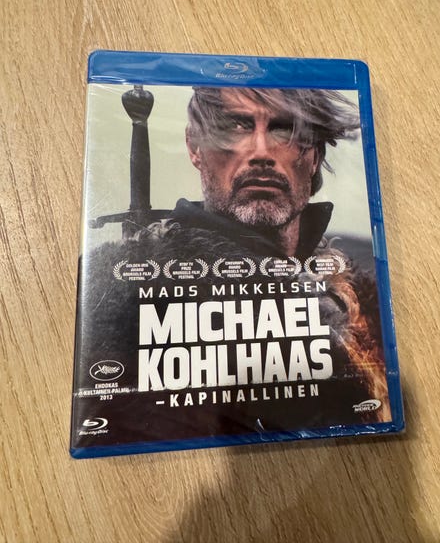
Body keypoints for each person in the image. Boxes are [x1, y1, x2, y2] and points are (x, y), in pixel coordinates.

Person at [74, 87, 390, 448]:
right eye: (235, 127)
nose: (261, 152)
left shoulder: (362, 298)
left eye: (284, 130)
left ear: (314, 156)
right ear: (195, 147)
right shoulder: (116, 288)